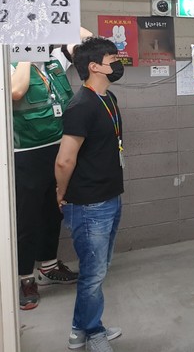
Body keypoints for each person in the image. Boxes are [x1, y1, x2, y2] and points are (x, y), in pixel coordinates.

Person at [11, 28, 92, 310]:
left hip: (58, 149)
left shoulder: (56, 59)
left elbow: (88, 39)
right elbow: (16, 91)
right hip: (26, 154)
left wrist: (54, 16)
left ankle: (48, 265)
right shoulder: (10, 64)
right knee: (27, 218)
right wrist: (25, 52)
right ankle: (24, 277)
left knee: (54, 210)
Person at [55, 37, 126, 352]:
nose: (118, 63)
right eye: (113, 59)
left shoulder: (107, 98)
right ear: (95, 66)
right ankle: (91, 332)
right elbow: (64, 160)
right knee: (93, 274)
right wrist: (61, 193)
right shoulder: (81, 106)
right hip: (88, 204)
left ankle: (81, 329)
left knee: (99, 270)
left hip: (110, 196)